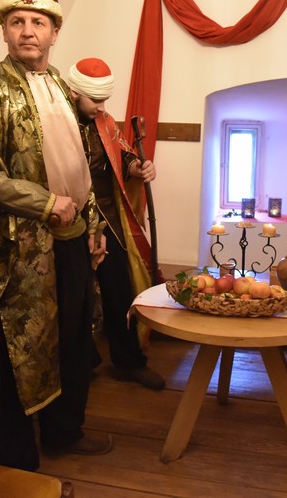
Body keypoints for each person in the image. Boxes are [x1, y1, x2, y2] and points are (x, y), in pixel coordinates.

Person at [0, 0, 113, 472]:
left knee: (74, 341)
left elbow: (78, 164)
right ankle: (18, 463)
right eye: (17, 22)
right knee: (18, 353)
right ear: (3, 30)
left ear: (54, 33)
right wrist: (43, 203)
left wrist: (93, 225)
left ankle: (65, 432)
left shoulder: (60, 84)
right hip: (20, 248)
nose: (27, 31)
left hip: (73, 239)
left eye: (38, 22)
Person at [66, 58, 165, 390]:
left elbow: (121, 155)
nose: (101, 107)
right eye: (95, 100)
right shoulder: (56, 121)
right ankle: (81, 362)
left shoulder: (104, 122)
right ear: (74, 93)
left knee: (119, 288)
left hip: (107, 217)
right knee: (74, 293)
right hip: (69, 218)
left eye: (104, 100)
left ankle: (129, 361)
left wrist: (138, 167)